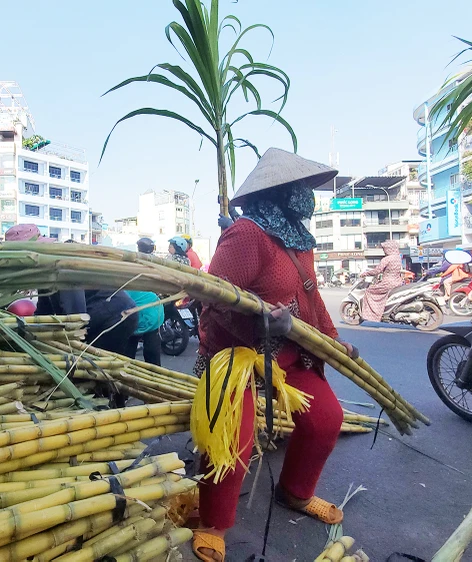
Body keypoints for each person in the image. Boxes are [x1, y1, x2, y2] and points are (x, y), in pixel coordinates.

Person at [191, 148, 356, 562]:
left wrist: (334, 341)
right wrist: (259, 325)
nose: (307, 196)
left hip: (291, 354)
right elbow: (212, 301)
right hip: (237, 353)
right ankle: (212, 523)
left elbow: (312, 300)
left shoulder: (301, 240)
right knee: (234, 435)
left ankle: (295, 493)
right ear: (280, 192)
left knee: (326, 420)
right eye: (300, 189)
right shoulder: (247, 234)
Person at [5, 224, 88, 316]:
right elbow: (44, 310)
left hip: (98, 319)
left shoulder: (63, 269)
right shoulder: (44, 273)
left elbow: (76, 318)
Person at [127, 237, 164, 366]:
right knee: (153, 356)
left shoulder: (131, 264)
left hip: (131, 312)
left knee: (128, 355)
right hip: (151, 315)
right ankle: (155, 382)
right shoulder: (158, 265)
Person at [359, 239, 404, 323]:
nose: (384, 251)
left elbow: (377, 271)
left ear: (389, 249)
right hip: (397, 282)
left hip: (387, 283)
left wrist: (366, 273)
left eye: (384, 249)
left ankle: (374, 314)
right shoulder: (398, 257)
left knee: (369, 291)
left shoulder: (387, 259)